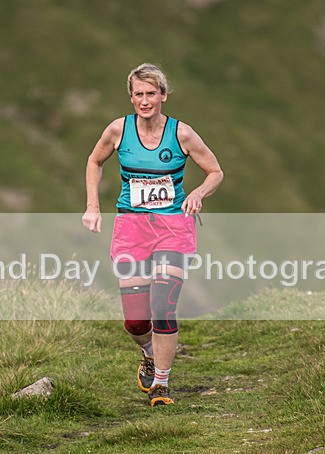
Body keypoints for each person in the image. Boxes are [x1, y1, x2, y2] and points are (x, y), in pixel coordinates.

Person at [82, 63, 223, 406]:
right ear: (131, 97)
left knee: (162, 306)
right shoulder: (118, 130)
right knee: (135, 321)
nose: (145, 101)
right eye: (138, 94)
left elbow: (215, 171)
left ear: (163, 95)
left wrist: (197, 194)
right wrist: (93, 206)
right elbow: (94, 161)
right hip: (131, 229)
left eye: (151, 94)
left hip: (173, 229)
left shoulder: (182, 134)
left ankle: (161, 383)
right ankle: (148, 350)